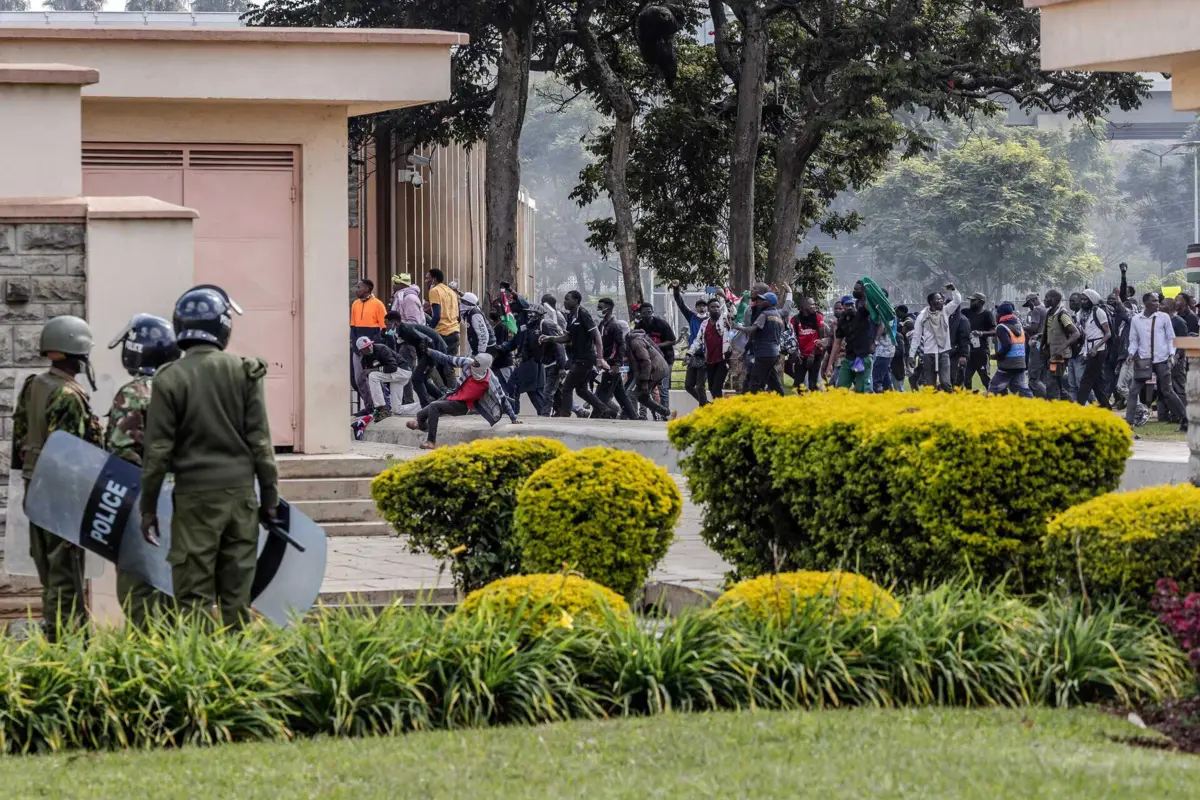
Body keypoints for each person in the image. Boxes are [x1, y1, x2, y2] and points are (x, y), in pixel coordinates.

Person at [140, 285, 279, 628]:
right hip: (241, 498)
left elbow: (157, 452)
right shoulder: (244, 372)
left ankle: (200, 674)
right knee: (237, 596)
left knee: (193, 594)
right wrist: (270, 497)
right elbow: (261, 442)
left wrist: (148, 507)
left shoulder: (169, 378)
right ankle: (237, 672)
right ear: (223, 326)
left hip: (194, 499)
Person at [11, 316, 102, 640]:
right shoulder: (68, 395)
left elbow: (21, 438)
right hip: (60, 494)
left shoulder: (33, 385)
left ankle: (55, 636)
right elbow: (72, 459)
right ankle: (67, 644)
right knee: (65, 574)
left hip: (34, 488)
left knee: (50, 572)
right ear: (77, 354)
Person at [105, 314, 181, 628]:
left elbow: (122, 454)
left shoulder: (133, 392)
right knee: (172, 590)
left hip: (142, 504)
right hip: (179, 504)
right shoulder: (180, 389)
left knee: (138, 591)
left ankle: (145, 661)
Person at [405, 351, 521, 448]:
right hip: (453, 396)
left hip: (464, 405)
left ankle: (431, 442)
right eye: (474, 360)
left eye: (476, 364)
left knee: (435, 407)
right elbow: (447, 359)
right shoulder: (467, 363)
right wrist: (430, 351)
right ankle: (423, 426)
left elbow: (502, 399)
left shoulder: (491, 380)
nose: (473, 364)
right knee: (421, 414)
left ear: (484, 367)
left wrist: (513, 418)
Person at [542, 290, 613, 418]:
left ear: (576, 301)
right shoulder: (570, 317)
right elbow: (567, 338)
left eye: (567, 299)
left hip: (585, 358)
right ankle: (605, 410)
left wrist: (600, 358)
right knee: (581, 390)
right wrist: (549, 338)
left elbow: (597, 336)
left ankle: (565, 415)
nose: (564, 302)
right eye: (564, 299)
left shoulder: (583, 314)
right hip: (578, 358)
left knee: (566, 388)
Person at [1127, 292, 1187, 432]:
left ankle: (1186, 419)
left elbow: (1170, 338)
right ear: (1146, 303)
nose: (1157, 304)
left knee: (1168, 391)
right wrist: (1131, 353)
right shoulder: (1136, 319)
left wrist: (1172, 355)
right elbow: (1134, 340)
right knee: (1133, 391)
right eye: (1154, 301)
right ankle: (1128, 422)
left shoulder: (1164, 317)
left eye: (1157, 301)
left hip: (1161, 359)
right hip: (1144, 360)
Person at [827, 282, 877, 393]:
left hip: (864, 358)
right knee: (840, 389)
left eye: (851, 305)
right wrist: (830, 365)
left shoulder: (862, 314)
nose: (850, 307)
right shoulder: (842, 321)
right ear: (843, 306)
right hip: (849, 358)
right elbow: (837, 343)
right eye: (847, 305)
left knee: (862, 390)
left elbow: (869, 306)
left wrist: (864, 293)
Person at [733, 290, 785, 395]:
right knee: (774, 381)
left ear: (770, 302)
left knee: (754, 383)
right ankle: (782, 399)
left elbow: (752, 330)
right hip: (774, 354)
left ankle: (754, 405)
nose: (760, 302)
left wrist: (738, 327)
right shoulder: (778, 315)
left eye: (763, 300)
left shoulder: (765, 314)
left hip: (763, 354)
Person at [912, 285, 962, 391]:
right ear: (931, 302)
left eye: (941, 299)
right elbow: (916, 337)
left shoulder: (945, 311)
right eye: (938, 299)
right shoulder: (922, 316)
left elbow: (957, 301)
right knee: (930, 386)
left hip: (943, 352)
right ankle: (933, 405)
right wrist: (911, 355)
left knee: (945, 383)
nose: (941, 301)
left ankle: (951, 404)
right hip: (928, 353)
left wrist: (953, 289)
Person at [672, 281, 713, 407]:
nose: (702, 308)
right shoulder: (692, 317)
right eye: (699, 306)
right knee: (688, 386)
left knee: (700, 386)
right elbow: (681, 304)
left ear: (707, 307)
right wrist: (676, 289)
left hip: (705, 356)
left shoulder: (712, 319)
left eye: (704, 306)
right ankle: (706, 404)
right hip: (693, 355)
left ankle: (704, 408)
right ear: (696, 307)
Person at [596, 298, 638, 418]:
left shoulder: (614, 326)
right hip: (606, 363)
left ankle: (602, 416)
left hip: (612, 365)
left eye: (600, 308)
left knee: (602, 394)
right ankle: (634, 417)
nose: (598, 310)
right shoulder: (602, 325)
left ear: (608, 309)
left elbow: (621, 345)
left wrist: (617, 365)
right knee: (620, 394)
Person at [686, 296, 732, 404]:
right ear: (708, 309)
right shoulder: (704, 324)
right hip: (710, 361)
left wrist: (725, 297)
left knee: (717, 387)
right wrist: (689, 353)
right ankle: (718, 409)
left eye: (717, 307)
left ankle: (720, 411)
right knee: (711, 388)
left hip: (723, 360)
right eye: (712, 307)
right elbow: (698, 341)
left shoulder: (724, 320)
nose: (715, 309)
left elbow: (733, 312)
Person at [635, 302, 678, 416]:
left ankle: (664, 414)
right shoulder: (639, 326)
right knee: (644, 388)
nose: (648, 314)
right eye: (645, 312)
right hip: (648, 362)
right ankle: (643, 415)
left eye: (649, 312)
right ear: (641, 314)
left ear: (653, 312)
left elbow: (672, 341)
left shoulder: (661, 324)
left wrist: (655, 346)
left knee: (663, 389)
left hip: (665, 360)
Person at [355, 335, 412, 421]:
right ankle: (423, 406)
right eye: (366, 347)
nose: (369, 347)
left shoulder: (381, 349)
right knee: (396, 409)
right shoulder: (364, 360)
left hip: (403, 371)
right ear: (361, 351)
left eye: (370, 345)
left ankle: (381, 408)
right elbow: (375, 384)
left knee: (373, 376)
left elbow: (393, 367)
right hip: (395, 377)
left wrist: (373, 369)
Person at [350, 278, 386, 409]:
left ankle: (380, 406)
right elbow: (353, 327)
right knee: (358, 379)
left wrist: (373, 346)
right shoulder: (355, 304)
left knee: (373, 378)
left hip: (371, 347)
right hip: (357, 347)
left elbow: (383, 328)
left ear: (366, 289)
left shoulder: (378, 304)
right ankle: (369, 406)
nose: (356, 290)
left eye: (359, 287)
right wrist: (355, 346)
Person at [625, 327, 674, 419]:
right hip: (656, 369)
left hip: (654, 370)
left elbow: (646, 362)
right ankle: (665, 412)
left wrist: (644, 382)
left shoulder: (635, 342)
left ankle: (633, 418)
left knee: (631, 394)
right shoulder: (634, 340)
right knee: (643, 397)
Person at [986, 303, 1033, 398]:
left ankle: (983, 408)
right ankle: (1035, 406)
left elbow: (1007, 345)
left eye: (997, 313)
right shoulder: (1019, 325)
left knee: (994, 388)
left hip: (1008, 364)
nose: (996, 315)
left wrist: (997, 355)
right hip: (1020, 362)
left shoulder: (1001, 327)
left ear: (1001, 314)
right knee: (1021, 388)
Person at [1075, 289, 1112, 409]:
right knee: (1097, 381)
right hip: (1088, 348)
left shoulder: (1099, 312)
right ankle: (1105, 406)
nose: (1083, 302)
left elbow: (1108, 333)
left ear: (1092, 300)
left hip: (1099, 349)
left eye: (1086, 299)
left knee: (1086, 379)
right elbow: (1084, 334)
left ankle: (1078, 406)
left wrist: (1096, 348)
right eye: (1082, 299)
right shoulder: (1080, 314)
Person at [1042, 289, 1080, 401]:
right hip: (1052, 353)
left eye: (1046, 297)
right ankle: (1070, 407)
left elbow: (1076, 333)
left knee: (1051, 383)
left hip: (1060, 356)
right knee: (1057, 383)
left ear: (1053, 300)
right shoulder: (1050, 313)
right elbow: (1051, 331)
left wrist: (1062, 347)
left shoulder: (1062, 315)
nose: (1044, 300)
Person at [426, 268, 461, 384]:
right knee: (447, 367)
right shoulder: (451, 291)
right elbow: (458, 316)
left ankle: (451, 394)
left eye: (427, 278)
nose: (426, 281)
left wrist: (427, 331)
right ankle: (450, 395)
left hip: (443, 334)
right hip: (455, 333)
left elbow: (436, 316)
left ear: (434, 280)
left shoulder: (434, 291)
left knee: (440, 367)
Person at [1162, 297, 1190, 424]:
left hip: (1177, 361)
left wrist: (1177, 357)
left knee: (1179, 388)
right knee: (1169, 388)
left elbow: (1183, 342)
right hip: (1166, 359)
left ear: (1170, 307)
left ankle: (1184, 416)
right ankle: (1174, 415)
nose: (1160, 306)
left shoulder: (1179, 322)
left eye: (1163, 304)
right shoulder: (1164, 320)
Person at [787, 297, 824, 392]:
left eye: (814, 304)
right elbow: (792, 338)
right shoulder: (795, 320)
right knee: (798, 385)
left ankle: (814, 402)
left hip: (815, 355)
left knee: (813, 384)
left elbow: (821, 339)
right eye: (811, 304)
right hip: (801, 356)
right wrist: (795, 353)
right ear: (803, 307)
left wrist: (813, 353)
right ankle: (802, 403)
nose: (814, 306)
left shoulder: (818, 317)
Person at [965, 293, 996, 389]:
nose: (971, 302)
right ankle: (967, 398)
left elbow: (994, 331)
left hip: (981, 351)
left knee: (985, 376)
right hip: (968, 351)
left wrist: (981, 333)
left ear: (981, 302)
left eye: (973, 301)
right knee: (965, 377)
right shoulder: (965, 312)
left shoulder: (987, 314)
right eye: (971, 300)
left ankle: (992, 396)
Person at [1023, 293, 1049, 398]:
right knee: (1043, 375)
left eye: (1029, 304)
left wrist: (1023, 327)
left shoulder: (1036, 310)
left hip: (1037, 343)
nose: (1029, 307)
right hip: (1046, 344)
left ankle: (1048, 398)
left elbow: (1034, 328)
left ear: (1033, 300)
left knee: (1033, 378)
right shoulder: (1046, 309)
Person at [460, 292, 492, 356]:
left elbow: (483, 334)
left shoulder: (475, 314)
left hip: (484, 349)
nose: (461, 303)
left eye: (463, 302)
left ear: (469, 304)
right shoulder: (469, 312)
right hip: (477, 348)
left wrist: (481, 353)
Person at [949, 299, 972, 389]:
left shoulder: (962, 320)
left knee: (956, 379)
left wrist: (964, 355)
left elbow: (965, 339)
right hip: (949, 353)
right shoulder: (949, 318)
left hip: (957, 354)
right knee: (949, 379)